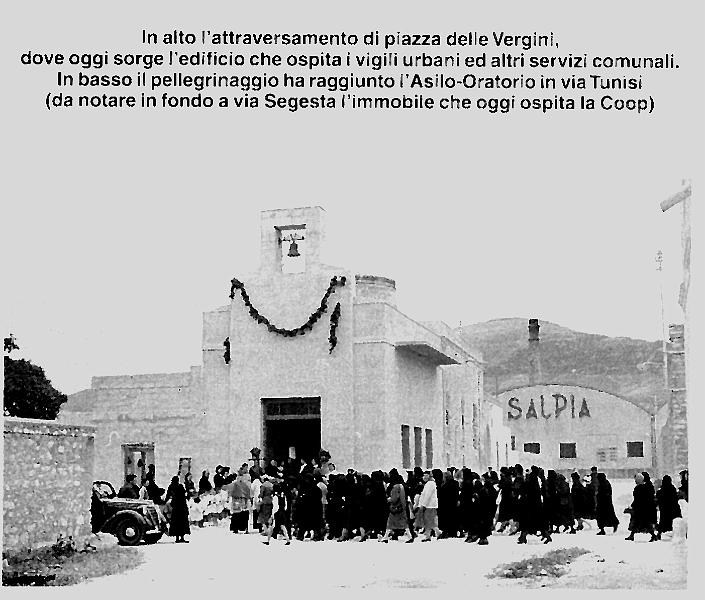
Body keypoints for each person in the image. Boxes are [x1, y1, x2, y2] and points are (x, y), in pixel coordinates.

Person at [379, 470, 413, 543]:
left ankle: (385, 537)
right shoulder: (402, 486)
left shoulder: (395, 487)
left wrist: (389, 499)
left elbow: (394, 498)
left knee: (390, 522)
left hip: (395, 508)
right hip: (402, 507)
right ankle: (410, 536)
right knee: (404, 523)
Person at [626, 472, 658, 542]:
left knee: (640, 523)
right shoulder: (644, 487)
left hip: (640, 509)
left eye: (636, 480)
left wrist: (632, 506)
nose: (635, 481)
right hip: (642, 508)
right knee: (640, 523)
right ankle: (632, 535)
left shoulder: (639, 488)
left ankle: (653, 536)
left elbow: (638, 499)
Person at [417, 471, 442, 542]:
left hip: (429, 505)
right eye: (423, 476)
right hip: (430, 505)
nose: (424, 477)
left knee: (428, 521)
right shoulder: (430, 483)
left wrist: (423, 505)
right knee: (429, 521)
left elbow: (427, 495)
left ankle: (434, 534)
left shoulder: (430, 484)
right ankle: (433, 534)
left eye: (425, 476)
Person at [165, 476, 190, 543]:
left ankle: (177, 538)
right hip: (182, 506)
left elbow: (168, 495)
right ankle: (182, 537)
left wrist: (164, 502)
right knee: (182, 522)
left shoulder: (171, 486)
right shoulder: (180, 486)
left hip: (175, 507)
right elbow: (184, 496)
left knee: (176, 522)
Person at [655, 474, 681, 539]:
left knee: (663, 522)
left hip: (665, 509)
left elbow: (658, 498)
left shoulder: (661, 490)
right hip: (673, 509)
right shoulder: (673, 489)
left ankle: (659, 534)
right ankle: (679, 533)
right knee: (674, 522)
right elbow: (675, 498)